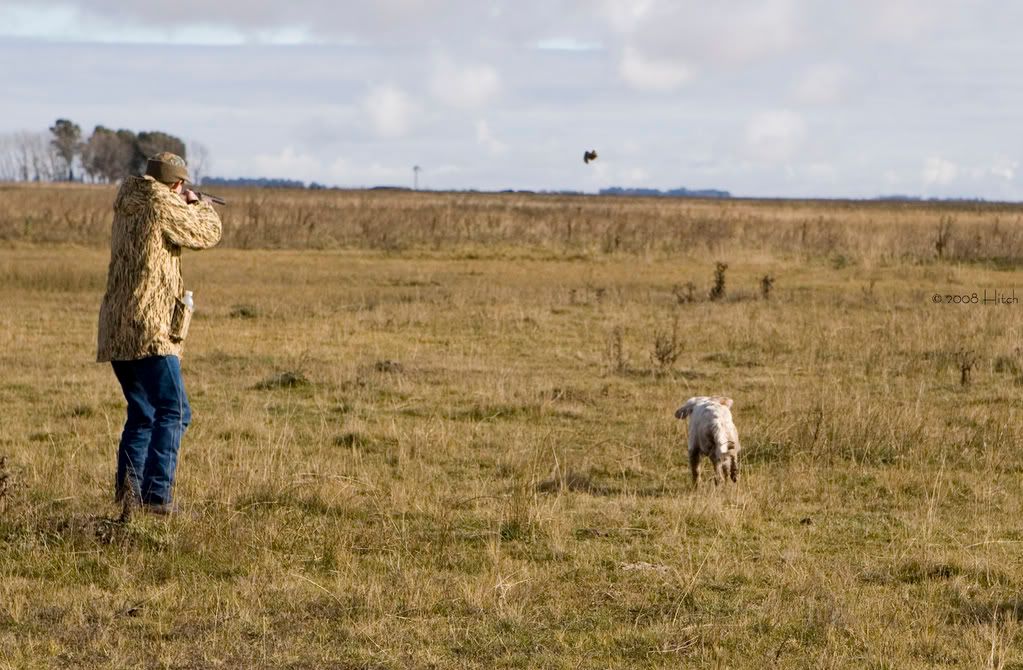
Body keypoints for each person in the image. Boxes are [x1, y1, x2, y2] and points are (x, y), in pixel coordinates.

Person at [97, 152, 222, 517]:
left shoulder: (129, 200)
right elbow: (206, 234)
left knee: (143, 413)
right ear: (177, 184)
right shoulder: (160, 203)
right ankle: (156, 496)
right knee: (175, 410)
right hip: (149, 328)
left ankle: (129, 498)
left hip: (117, 328)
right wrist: (199, 205)